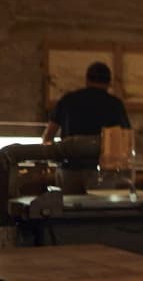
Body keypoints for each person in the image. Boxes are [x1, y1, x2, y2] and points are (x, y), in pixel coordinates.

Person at [43, 61, 132, 193]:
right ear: (109, 82)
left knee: (68, 210)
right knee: (98, 210)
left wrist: (54, 160)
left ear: (87, 79)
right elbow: (125, 140)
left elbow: (48, 137)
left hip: (68, 171)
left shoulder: (68, 100)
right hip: (101, 173)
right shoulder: (115, 104)